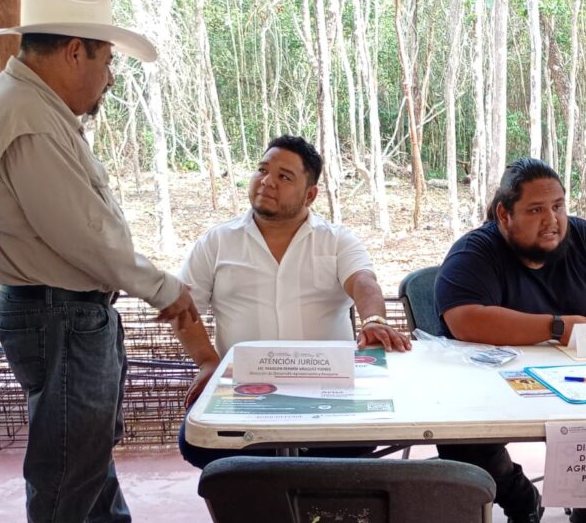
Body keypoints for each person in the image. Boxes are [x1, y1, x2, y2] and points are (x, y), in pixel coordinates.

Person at [0, 0, 198, 523]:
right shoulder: (25, 116)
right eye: (106, 60)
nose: (109, 78)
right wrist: (163, 288)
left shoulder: (28, 105)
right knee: (66, 455)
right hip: (57, 309)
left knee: (87, 435)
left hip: (64, 308)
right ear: (75, 51)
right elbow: (84, 235)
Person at [435, 157, 586, 523]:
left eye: (558, 206)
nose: (551, 220)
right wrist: (557, 327)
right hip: (491, 382)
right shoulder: (475, 250)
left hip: (578, 375)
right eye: (536, 210)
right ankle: (521, 502)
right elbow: (463, 319)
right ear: (504, 215)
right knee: (460, 438)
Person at [173, 135, 411, 467]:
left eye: (284, 176)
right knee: (200, 445)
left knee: (349, 448)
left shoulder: (337, 240)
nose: (267, 182)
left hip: (330, 390)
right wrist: (208, 364)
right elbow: (183, 308)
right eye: (262, 170)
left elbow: (363, 281)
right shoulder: (216, 242)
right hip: (245, 389)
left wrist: (374, 320)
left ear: (310, 194)